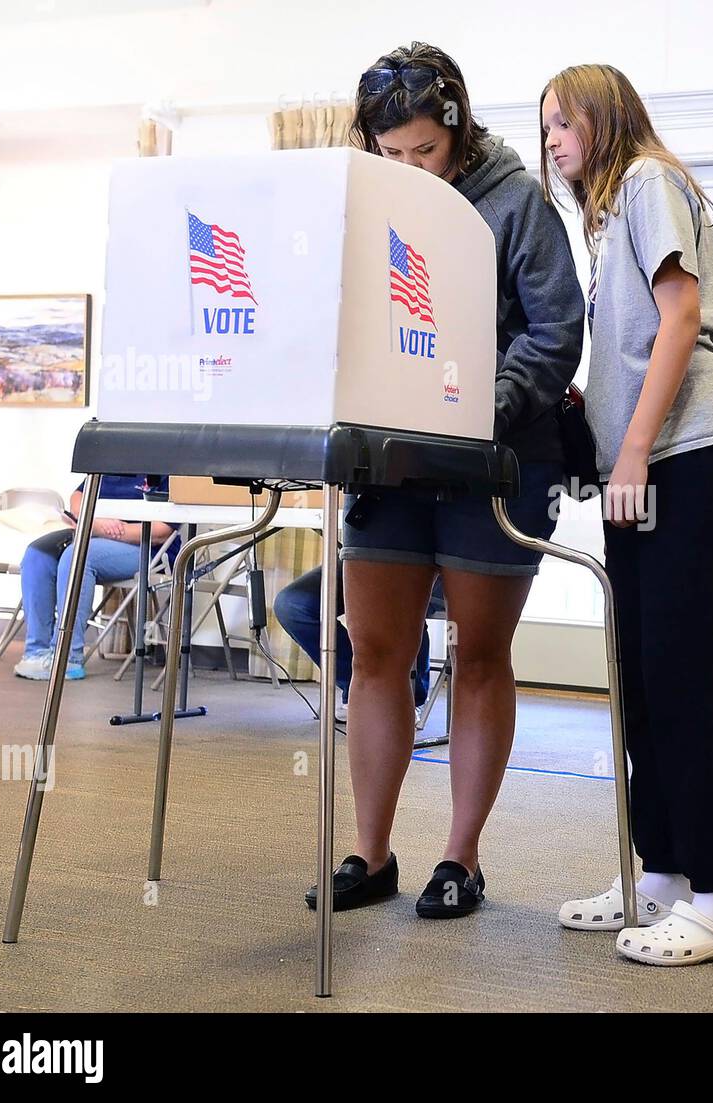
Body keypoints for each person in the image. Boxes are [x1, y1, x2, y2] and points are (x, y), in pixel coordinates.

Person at [305, 41, 584, 918]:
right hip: (391, 458)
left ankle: (461, 857)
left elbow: (556, 330)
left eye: (424, 151)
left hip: (495, 459)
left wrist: (480, 407)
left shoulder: (518, 202)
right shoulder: (369, 197)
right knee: (378, 651)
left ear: (458, 128)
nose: (410, 168)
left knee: (480, 653)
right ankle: (372, 851)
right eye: (393, 155)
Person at [541, 65, 713, 966]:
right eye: (545, 126)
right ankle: (664, 873)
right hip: (646, 461)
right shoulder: (603, 221)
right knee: (646, 674)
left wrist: (629, 448)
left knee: (696, 675)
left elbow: (682, 318)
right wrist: (589, 409)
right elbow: (636, 350)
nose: (552, 140)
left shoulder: (644, 181)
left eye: (564, 123)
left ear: (604, 117)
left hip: (692, 455)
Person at [14, 475, 175, 681]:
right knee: (37, 555)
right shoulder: (109, 460)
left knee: (76, 556)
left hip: (146, 546)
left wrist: (105, 529)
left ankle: (67, 657)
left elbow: (162, 530)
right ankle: (36, 651)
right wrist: (97, 525)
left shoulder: (165, 467)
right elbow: (78, 497)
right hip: (96, 533)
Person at [272, 565, 439, 723]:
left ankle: (406, 696)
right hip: (359, 554)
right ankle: (362, 688)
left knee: (394, 589)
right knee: (292, 605)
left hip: (427, 562)